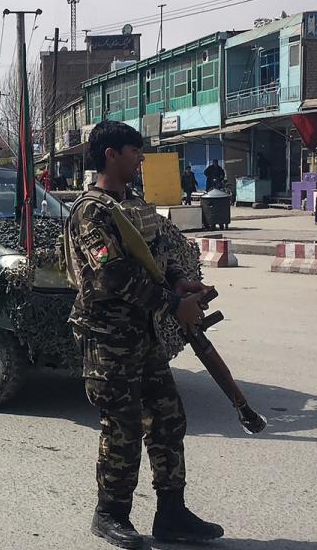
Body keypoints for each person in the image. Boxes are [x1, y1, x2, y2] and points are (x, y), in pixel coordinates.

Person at [65, 120, 224, 548]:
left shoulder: (133, 203)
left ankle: (171, 514)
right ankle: (110, 514)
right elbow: (114, 276)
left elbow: (160, 254)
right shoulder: (91, 211)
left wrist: (179, 283)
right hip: (109, 338)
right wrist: (174, 305)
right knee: (123, 426)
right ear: (110, 155)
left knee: (169, 418)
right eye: (133, 151)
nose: (140, 159)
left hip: (145, 334)